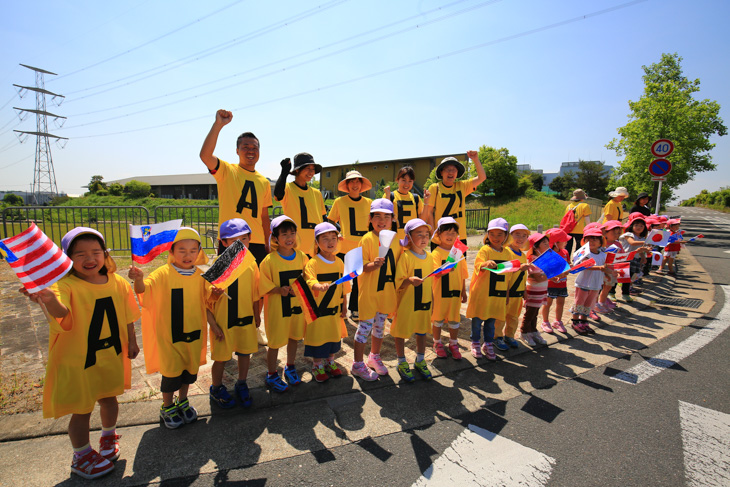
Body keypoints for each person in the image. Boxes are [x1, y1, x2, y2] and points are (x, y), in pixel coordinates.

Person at [20, 228, 140, 479]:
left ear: (105, 255)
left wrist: (132, 341)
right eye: (81, 254)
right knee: (82, 408)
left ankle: (108, 436)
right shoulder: (65, 284)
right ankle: (81, 455)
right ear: (67, 259)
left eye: (96, 252)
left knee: (109, 398)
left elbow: (128, 316)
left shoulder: (117, 282)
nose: (90, 258)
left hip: (110, 355)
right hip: (79, 360)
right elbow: (61, 311)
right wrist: (47, 298)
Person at [128, 228, 213, 429]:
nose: (187, 255)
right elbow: (144, 293)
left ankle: (183, 400)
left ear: (199, 252)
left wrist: (216, 290)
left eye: (193, 250)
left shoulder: (201, 275)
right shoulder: (163, 274)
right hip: (170, 335)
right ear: (171, 251)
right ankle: (167, 406)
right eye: (182, 250)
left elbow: (210, 299)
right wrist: (138, 279)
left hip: (193, 333)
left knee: (189, 371)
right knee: (171, 373)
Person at [199, 109, 273, 265]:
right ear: (237, 151)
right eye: (245, 147)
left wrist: (268, 241)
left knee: (256, 287)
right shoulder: (226, 171)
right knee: (228, 286)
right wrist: (218, 125)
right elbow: (205, 155)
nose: (250, 151)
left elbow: (264, 216)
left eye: (254, 148)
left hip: (257, 242)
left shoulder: (264, 181)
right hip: (230, 239)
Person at [207, 219, 259, 409]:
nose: (240, 244)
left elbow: (256, 293)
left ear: (250, 239)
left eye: (244, 239)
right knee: (221, 357)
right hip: (223, 321)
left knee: (245, 352)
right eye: (234, 240)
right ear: (224, 242)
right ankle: (216, 387)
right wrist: (214, 294)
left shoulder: (252, 264)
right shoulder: (219, 265)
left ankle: (242, 382)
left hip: (245, 318)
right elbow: (206, 300)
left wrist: (257, 314)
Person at [351, 198, 402, 381]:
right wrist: (372, 265)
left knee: (380, 327)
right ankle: (357, 364)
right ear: (370, 219)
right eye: (377, 216)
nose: (382, 220)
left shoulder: (396, 240)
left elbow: (400, 264)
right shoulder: (366, 239)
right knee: (364, 328)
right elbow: (356, 268)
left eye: (387, 216)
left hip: (386, 292)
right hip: (369, 293)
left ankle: (374, 356)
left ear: (393, 219)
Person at [259, 216, 309, 392]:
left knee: (294, 337)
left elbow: (308, 278)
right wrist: (277, 290)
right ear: (275, 238)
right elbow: (262, 284)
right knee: (274, 342)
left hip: (296, 308)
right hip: (277, 310)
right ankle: (272, 374)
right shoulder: (269, 261)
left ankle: (290, 365)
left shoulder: (302, 257)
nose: (289, 238)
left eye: (293, 233)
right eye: (285, 234)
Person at [303, 222, 349, 382]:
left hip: (334, 310)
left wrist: (344, 306)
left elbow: (344, 286)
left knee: (334, 336)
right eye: (325, 238)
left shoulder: (340, 262)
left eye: (333, 238)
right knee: (318, 337)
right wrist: (317, 285)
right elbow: (310, 279)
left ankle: (330, 361)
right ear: (316, 242)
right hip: (318, 311)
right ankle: (317, 365)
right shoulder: (313, 262)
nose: (330, 242)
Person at [391, 219, 435, 381]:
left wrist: (433, 300)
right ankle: (401, 361)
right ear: (409, 237)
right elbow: (398, 282)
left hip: (423, 302)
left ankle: (420, 359)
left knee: (422, 331)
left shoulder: (430, 257)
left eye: (426, 235)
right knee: (401, 332)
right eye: (419, 234)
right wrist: (409, 280)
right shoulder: (406, 257)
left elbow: (430, 282)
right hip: (407, 304)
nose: (424, 238)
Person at [327, 170, 372, 320]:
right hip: (343, 247)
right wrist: (336, 233)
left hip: (361, 247)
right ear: (346, 185)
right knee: (340, 280)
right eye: (351, 181)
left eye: (357, 181)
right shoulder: (339, 202)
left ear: (361, 184)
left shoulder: (369, 203)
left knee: (358, 281)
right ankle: (338, 307)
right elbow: (330, 221)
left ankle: (355, 308)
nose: (355, 184)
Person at [466, 218, 513, 360]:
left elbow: (508, 276)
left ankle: (488, 343)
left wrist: (507, 294)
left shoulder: (508, 253)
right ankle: (475, 342)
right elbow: (478, 264)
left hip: (497, 293)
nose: (496, 238)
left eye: (500, 234)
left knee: (491, 321)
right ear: (487, 235)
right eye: (492, 234)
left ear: (506, 236)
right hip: (482, 293)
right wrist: (486, 263)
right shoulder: (484, 250)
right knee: (477, 320)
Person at [423, 151, 486, 251]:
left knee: (459, 266)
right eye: (447, 169)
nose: (451, 172)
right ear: (441, 172)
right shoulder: (435, 188)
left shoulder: (462, 186)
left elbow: (482, 178)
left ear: (457, 173)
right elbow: (429, 212)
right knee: (439, 266)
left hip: (459, 237)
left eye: (454, 170)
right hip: (440, 237)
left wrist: (476, 160)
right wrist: (434, 233)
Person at [430, 217, 468, 360]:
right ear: (438, 234)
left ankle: (453, 343)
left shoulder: (459, 253)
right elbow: (434, 273)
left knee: (454, 319)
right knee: (438, 320)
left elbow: (463, 274)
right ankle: (437, 343)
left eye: (453, 232)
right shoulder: (436, 253)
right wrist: (445, 270)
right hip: (440, 294)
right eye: (446, 232)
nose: (450, 235)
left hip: (455, 294)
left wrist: (464, 292)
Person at [274, 153, 327, 256]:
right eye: (307, 168)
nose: (311, 172)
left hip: (315, 248)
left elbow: (323, 217)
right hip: (295, 247)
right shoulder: (288, 189)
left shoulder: (317, 193)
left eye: (313, 169)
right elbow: (278, 194)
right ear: (297, 170)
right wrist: (284, 172)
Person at [494, 224, 531, 351]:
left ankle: (509, 335)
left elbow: (524, 275)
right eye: (517, 235)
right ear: (510, 236)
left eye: (524, 236)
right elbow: (505, 273)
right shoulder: (506, 252)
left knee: (514, 316)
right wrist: (506, 292)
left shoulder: (523, 255)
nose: (520, 238)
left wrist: (525, 291)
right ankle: (497, 337)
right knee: (501, 316)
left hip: (518, 292)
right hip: (507, 291)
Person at [570, 227, 610, 334]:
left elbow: (606, 266)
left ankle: (584, 322)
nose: (591, 242)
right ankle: (575, 322)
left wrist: (608, 273)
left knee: (588, 305)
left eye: (595, 239)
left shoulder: (603, 254)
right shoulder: (585, 254)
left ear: (600, 242)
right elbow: (586, 266)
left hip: (596, 284)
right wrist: (600, 268)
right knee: (579, 303)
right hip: (583, 282)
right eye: (588, 240)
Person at [519, 233, 550, 346]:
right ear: (536, 246)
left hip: (541, 290)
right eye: (544, 243)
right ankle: (524, 332)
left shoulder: (543, 258)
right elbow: (538, 277)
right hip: (534, 290)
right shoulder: (533, 259)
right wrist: (553, 273)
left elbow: (544, 275)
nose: (547, 245)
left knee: (535, 313)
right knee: (530, 313)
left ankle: (533, 331)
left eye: (548, 243)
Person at [384, 166, 429, 240]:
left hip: (411, 240)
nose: (406, 184)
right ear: (397, 180)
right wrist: (387, 196)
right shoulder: (390, 195)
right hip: (394, 240)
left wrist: (426, 202)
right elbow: (385, 217)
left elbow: (422, 221)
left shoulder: (416, 198)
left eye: (410, 181)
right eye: (403, 180)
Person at [540, 228, 571, 334]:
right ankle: (545, 321)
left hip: (563, 283)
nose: (567, 242)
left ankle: (558, 321)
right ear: (556, 243)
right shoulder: (548, 254)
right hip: (550, 284)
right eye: (564, 240)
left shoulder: (565, 252)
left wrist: (570, 267)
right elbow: (545, 271)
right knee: (547, 303)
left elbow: (568, 264)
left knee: (561, 303)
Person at [618, 213, 652, 303]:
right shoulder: (628, 234)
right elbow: (632, 243)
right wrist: (645, 242)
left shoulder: (641, 238)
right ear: (631, 226)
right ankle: (611, 292)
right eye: (636, 225)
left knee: (628, 278)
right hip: (624, 258)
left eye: (641, 226)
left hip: (634, 259)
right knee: (619, 277)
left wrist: (643, 257)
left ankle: (625, 294)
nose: (639, 227)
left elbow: (640, 249)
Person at [595, 220, 624, 313]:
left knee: (607, 287)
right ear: (605, 233)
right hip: (601, 269)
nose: (616, 235)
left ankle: (602, 302)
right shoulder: (601, 243)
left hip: (612, 270)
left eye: (618, 233)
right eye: (614, 233)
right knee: (598, 287)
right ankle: (596, 304)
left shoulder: (618, 244)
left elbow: (622, 256)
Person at [564, 189, 592, 255]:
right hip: (580, 230)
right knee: (579, 247)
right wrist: (589, 228)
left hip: (569, 229)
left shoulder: (569, 206)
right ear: (582, 198)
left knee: (568, 247)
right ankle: (576, 261)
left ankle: (567, 261)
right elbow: (587, 218)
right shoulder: (585, 205)